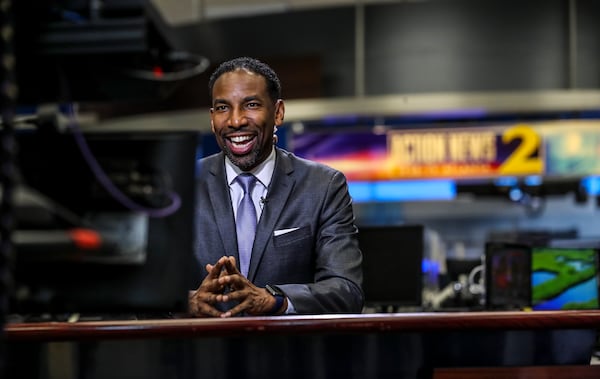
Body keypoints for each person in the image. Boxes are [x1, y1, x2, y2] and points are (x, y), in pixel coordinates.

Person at [188, 57, 363, 317]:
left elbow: (346, 291)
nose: (235, 121)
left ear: (278, 112)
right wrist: (185, 302)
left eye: (251, 105)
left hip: (287, 354)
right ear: (212, 119)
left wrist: (276, 300)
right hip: (203, 354)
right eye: (223, 107)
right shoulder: (184, 185)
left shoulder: (324, 186)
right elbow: (148, 287)